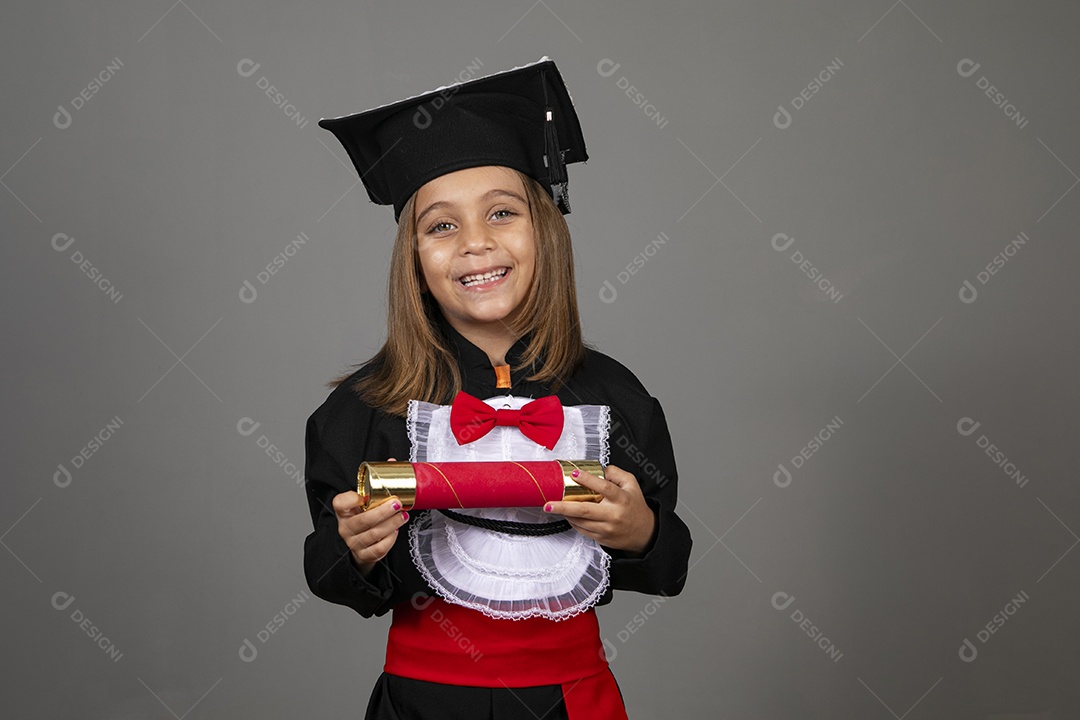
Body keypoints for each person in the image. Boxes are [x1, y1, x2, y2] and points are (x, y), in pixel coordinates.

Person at [304, 58, 692, 720]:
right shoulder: (361, 410)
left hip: (569, 698)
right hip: (423, 702)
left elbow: (667, 562)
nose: (476, 244)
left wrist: (640, 531)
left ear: (545, 228)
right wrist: (356, 548)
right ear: (415, 260)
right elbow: (334, 572)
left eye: (503, 213)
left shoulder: (615, 398)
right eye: (442, 225)